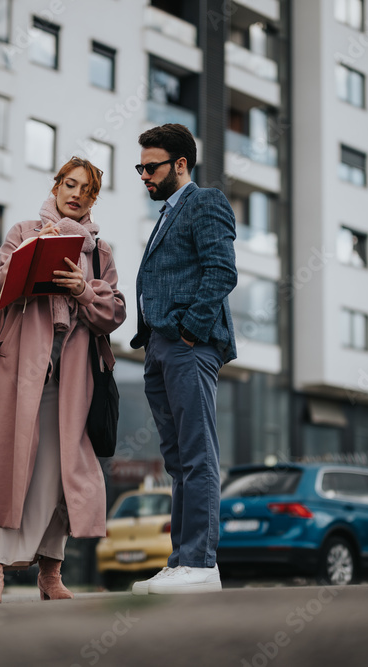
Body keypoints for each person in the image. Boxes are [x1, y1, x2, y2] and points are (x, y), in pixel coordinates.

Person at [0, 157, 126, 603]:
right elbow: (2, 283)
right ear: (56, 186)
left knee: (61, 476)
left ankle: (50, 575)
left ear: (93, 198)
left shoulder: (100, 252)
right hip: (17, 372)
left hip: (72, 383)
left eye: (86, 189)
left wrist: (82, 289)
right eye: (70, 184)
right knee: (2, 467)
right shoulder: (24, 229)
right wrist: (32, 254)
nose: (76, 194)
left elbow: (114, 312)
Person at [130, 124, 237, 595]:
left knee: (197, 454)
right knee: (176, 460)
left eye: (150, 167)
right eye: (140, 168)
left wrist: (191, 329)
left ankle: (201, 562)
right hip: (160, 347)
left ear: (180, 164)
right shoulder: (164, 215)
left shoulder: (205, 201)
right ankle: (181, 562)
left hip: (188, 345)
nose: (144, 176)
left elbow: (221, 270)